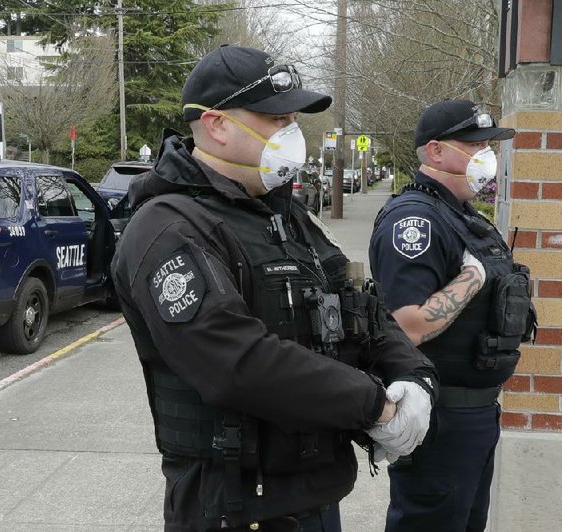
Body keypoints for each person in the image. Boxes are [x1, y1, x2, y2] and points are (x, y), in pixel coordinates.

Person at [111, 44, 438, 532]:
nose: (292, 133)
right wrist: (375, 405)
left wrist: (414, 377)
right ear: (218, 125)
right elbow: (236, 362)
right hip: (235, 506)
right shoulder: (168, 229)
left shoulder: (285, 217)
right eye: (276, 119)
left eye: (292, 119)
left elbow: (359, 305)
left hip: (315, 495)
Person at [369, 99, 537, 532]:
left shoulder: (461, 216)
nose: (487, 154)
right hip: (443, 418)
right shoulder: (415, 221)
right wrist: (471, 278)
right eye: (474, 143)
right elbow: (406, 326)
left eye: (489, 144)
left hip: (475, 415)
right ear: (436, 151)